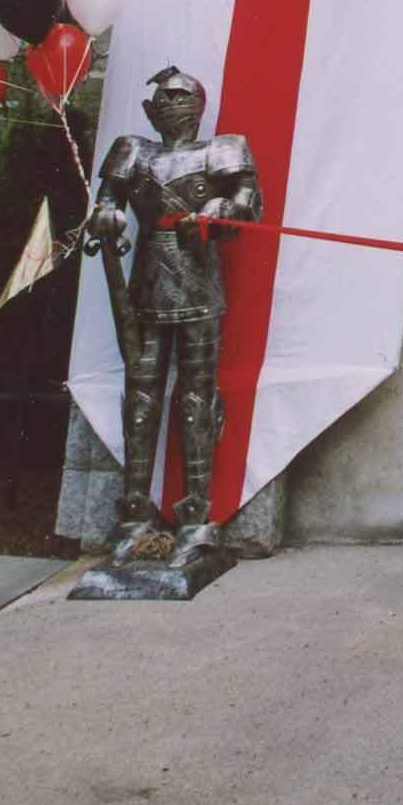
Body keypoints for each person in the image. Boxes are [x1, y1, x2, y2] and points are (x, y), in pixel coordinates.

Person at [86, 65, 261, 567]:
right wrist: (107, 215)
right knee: (141, 400)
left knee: (197, 398)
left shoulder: (222, 149)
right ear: (150, 109)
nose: (170, 106)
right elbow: (107, 202)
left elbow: (249, 201)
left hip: (199, 278)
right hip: (145, 282)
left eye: (179, 97)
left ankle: (195, 514)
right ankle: (135, 513)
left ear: (197, 104)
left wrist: (222, 210)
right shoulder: (133, 150)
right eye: (163, 99)